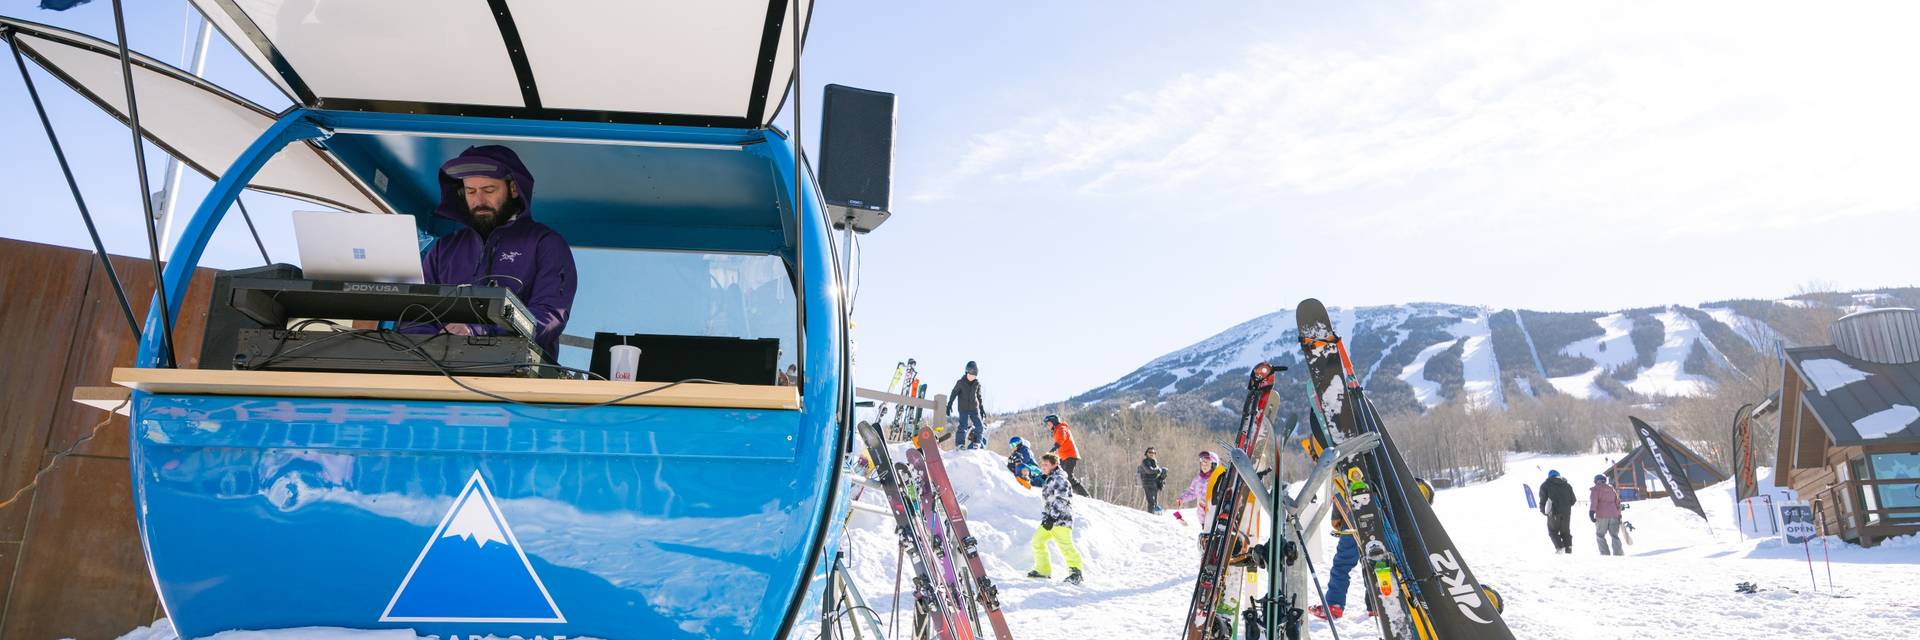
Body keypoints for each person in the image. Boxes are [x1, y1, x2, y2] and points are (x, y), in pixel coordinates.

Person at [419, 145, 576, 361]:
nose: (479, 201)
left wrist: (479, 332)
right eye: (470, 191)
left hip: (513, 373)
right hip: (435, 371)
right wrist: (429, 347)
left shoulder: (544, 243)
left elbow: (549, 315)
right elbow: (415, 314)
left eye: (489, 190)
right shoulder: (443, 249)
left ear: (514, 188)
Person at [1027, 453, 1085, 585]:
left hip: (1061, 520)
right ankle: (1043, 570)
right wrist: (1047, 518)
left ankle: (1076, 572)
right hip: (1050, 519)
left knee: (1065, 546)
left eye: (1046, 465)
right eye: (1042, 464)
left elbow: (1062, 499)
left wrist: (1052, 518)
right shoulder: (1050, 478)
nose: (1043, 467)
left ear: (1054, 465)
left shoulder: (1059, 479)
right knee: (1037, 541)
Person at [1308, 509, 1375, 621]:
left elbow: (1340, 498)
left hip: (1352, 517)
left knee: (1343, 564)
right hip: (1380, 516)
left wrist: (1336, 517)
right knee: (1376, 559)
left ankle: (1334, 604)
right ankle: (1378, 603)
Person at [1045, 414, 1089, 496]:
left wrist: (1055, 447)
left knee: (1068, 477)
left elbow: (1062, 438)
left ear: (1054, 422)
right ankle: (1062, 492)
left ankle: (1085, 495)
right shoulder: (1057, 430)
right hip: (1064, 457)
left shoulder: (1061, 428)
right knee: (1060, 475)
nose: (1048, 425)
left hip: (1070, 455)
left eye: (1049, 423)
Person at [1175, 451, 1224, 524]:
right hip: (1202, 518)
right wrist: (1182, 498)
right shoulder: (1198, 479)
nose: (1204, 466)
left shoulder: (1217, 480)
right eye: (1202, 463)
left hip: (1213, 517)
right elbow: (1192, 492)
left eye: (1206, 463)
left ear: (1213, 465)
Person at [947, 362, 987, 449]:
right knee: (963, 426)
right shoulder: (960, 383)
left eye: (974, 376)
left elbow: (979, 397)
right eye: (970, 375)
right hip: (963, 408)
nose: (972, 377)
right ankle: (960, 444)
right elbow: (954, 393)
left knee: (979, 425)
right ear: (966, 372)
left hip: (974, 408)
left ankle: (977, 442)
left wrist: (981, 409)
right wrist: (949, 404)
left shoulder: (977, 384)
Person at [1539, 470, 1577, 554]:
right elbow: (1573, 501)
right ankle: (1568, 548)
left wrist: (1543, 511)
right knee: (1565, 532)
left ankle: (1560, 548)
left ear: (1549, 476)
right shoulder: (1567, 485)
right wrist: (1565, 506)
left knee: (1552, 531)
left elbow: (1543, 500)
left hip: (1553, 513)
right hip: (1566, 513)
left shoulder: (1545, 485)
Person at [1590, 474, 1625, 556]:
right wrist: (1619, 514)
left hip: (1602, 516)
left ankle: (1605, 554)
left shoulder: (1596, 489)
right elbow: (1618, 503)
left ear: (1596, 481)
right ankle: (1618, 554)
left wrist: (1592, 512)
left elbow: (1594, 501)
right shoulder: (1612, 489)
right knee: (1615, 535)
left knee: (1600, 535)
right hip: (1614, 515)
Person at [1137, 447, 1169, 513]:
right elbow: (1149, 470)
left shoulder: (1155, 462)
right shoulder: (1145, 462)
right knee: (1151, 502)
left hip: (1154, 483)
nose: (1152, 454)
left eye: (1153, 452)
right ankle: (1150, 516)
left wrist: (1163, 474)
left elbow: (1156, 474)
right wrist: (1158, 470)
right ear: (1146, 453)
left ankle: (1154, 515)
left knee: (1155, 502)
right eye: (1150, 452)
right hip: (1148, 483)